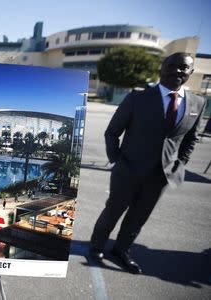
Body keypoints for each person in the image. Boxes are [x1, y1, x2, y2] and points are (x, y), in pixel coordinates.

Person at [89, 53, 205, 274]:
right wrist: (117, 161)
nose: (178, 71)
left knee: (138, 217)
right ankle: (96, 247)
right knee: (113, 211)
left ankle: (121, 251)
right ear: (161, 69)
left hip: (161, 175)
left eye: (184, 68)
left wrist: (180, 163)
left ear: (191, 73)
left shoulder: (198, 103)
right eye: (172, 66)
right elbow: (112, 132)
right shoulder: (137, 98)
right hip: (128, 170)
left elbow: (192, 139)